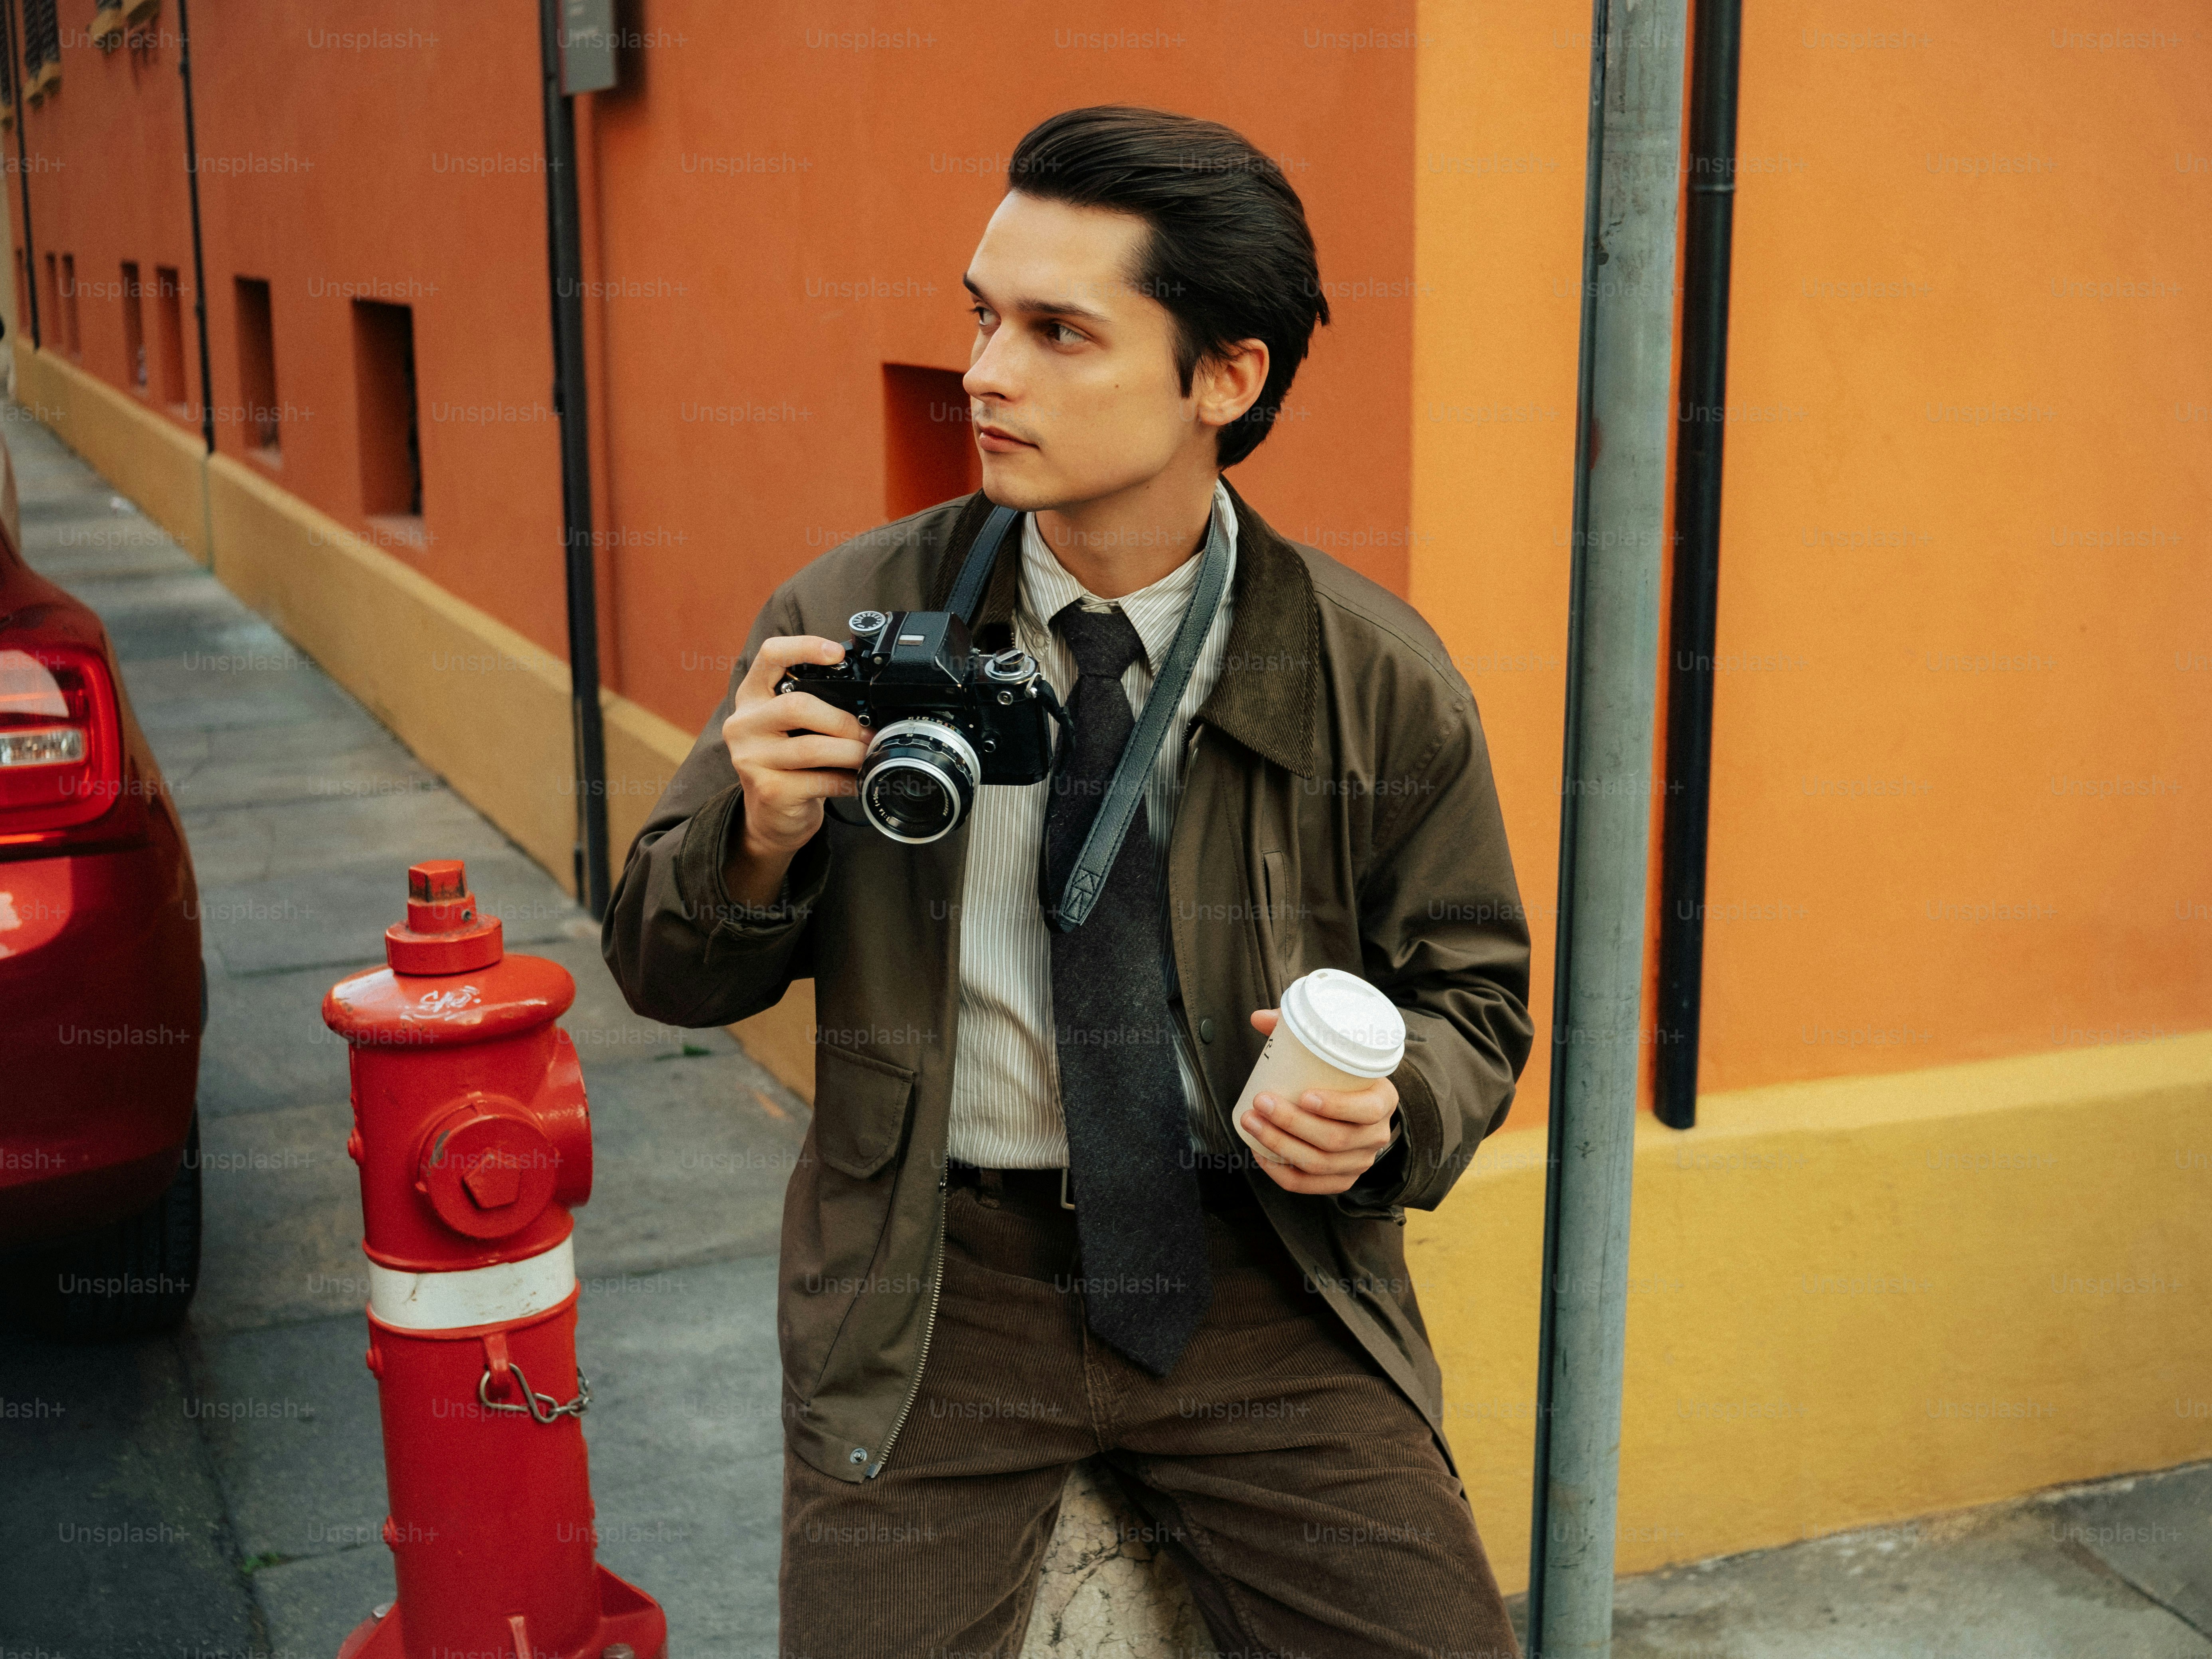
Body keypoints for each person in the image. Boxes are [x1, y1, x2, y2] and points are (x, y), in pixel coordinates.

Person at [605, 104, 1534, 1659]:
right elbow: (666, 967)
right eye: (982, 318)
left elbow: (1477, 992)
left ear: (1224, 376)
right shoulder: (852, 611)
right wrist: (753, 840)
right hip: (931, 1293)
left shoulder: (1373, 673)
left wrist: (1396, 1105)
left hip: (1263, 1281)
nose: (984, 371)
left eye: (1057, 331)